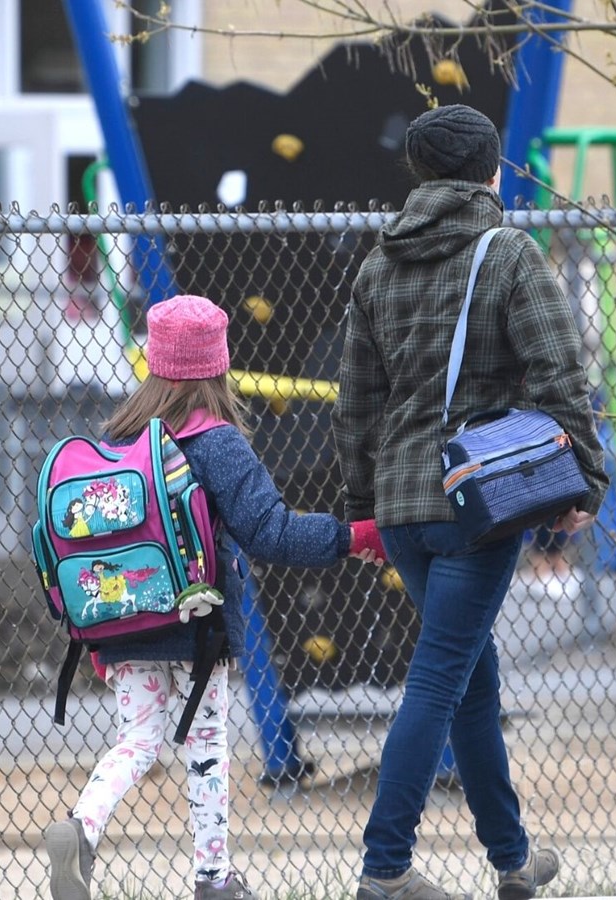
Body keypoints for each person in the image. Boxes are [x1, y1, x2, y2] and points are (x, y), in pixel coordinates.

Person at [332, 104, 609, 900]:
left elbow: (356, 402)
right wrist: (583, 484)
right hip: (475, 507)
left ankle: (512, 862)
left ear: (420, 175)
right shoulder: (510, 255)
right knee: (440, 677)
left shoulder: (379, 267)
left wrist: (364, 505)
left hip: (400, 507)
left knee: (469, 676)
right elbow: (561, 375)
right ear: (492, 173)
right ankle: (385, 869)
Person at [44, 293, 386, 900]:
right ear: (217, 366)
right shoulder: (216, 442)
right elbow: (271, 531)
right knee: (205, 746)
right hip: (197, 623)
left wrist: (98, 639)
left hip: (123, 621)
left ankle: (83, 827)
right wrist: (353, 537)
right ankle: (213, 878)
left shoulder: (119, 439)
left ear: (153, 364)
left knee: (138, 741)